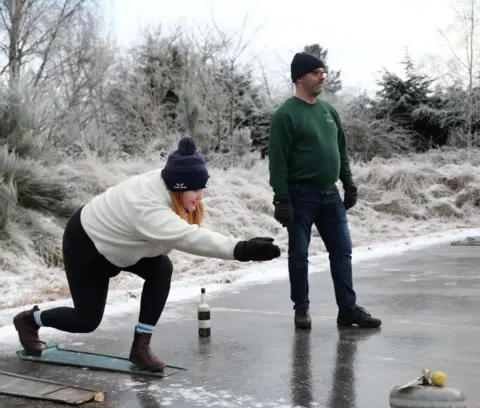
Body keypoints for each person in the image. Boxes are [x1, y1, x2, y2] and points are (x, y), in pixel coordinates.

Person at [13, 136, 281, 371]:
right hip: (88, 243)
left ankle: (140, 346)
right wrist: (243, 249)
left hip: (124, 242)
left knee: (161, 269)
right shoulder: (149, 208)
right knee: (86, 321)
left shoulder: (171, 180)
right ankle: (29, 320)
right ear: (178, 186)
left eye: (202, 189)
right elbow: (190, 238)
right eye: (196, 190)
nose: (200, 196)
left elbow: (184, 227)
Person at [267, 51, 382, 330]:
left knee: (342, 251)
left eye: (323, 73)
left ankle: (348, 310)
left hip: (330, 194)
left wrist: (349, 182)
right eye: (316, 73)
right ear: (299, 77)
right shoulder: (285, 115)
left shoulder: (329, 111)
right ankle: (302, 309)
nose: (322, 77)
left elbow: (340, 149)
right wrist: (281, 198)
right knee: (299, 253)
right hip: (299, 194)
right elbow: (278, 161)